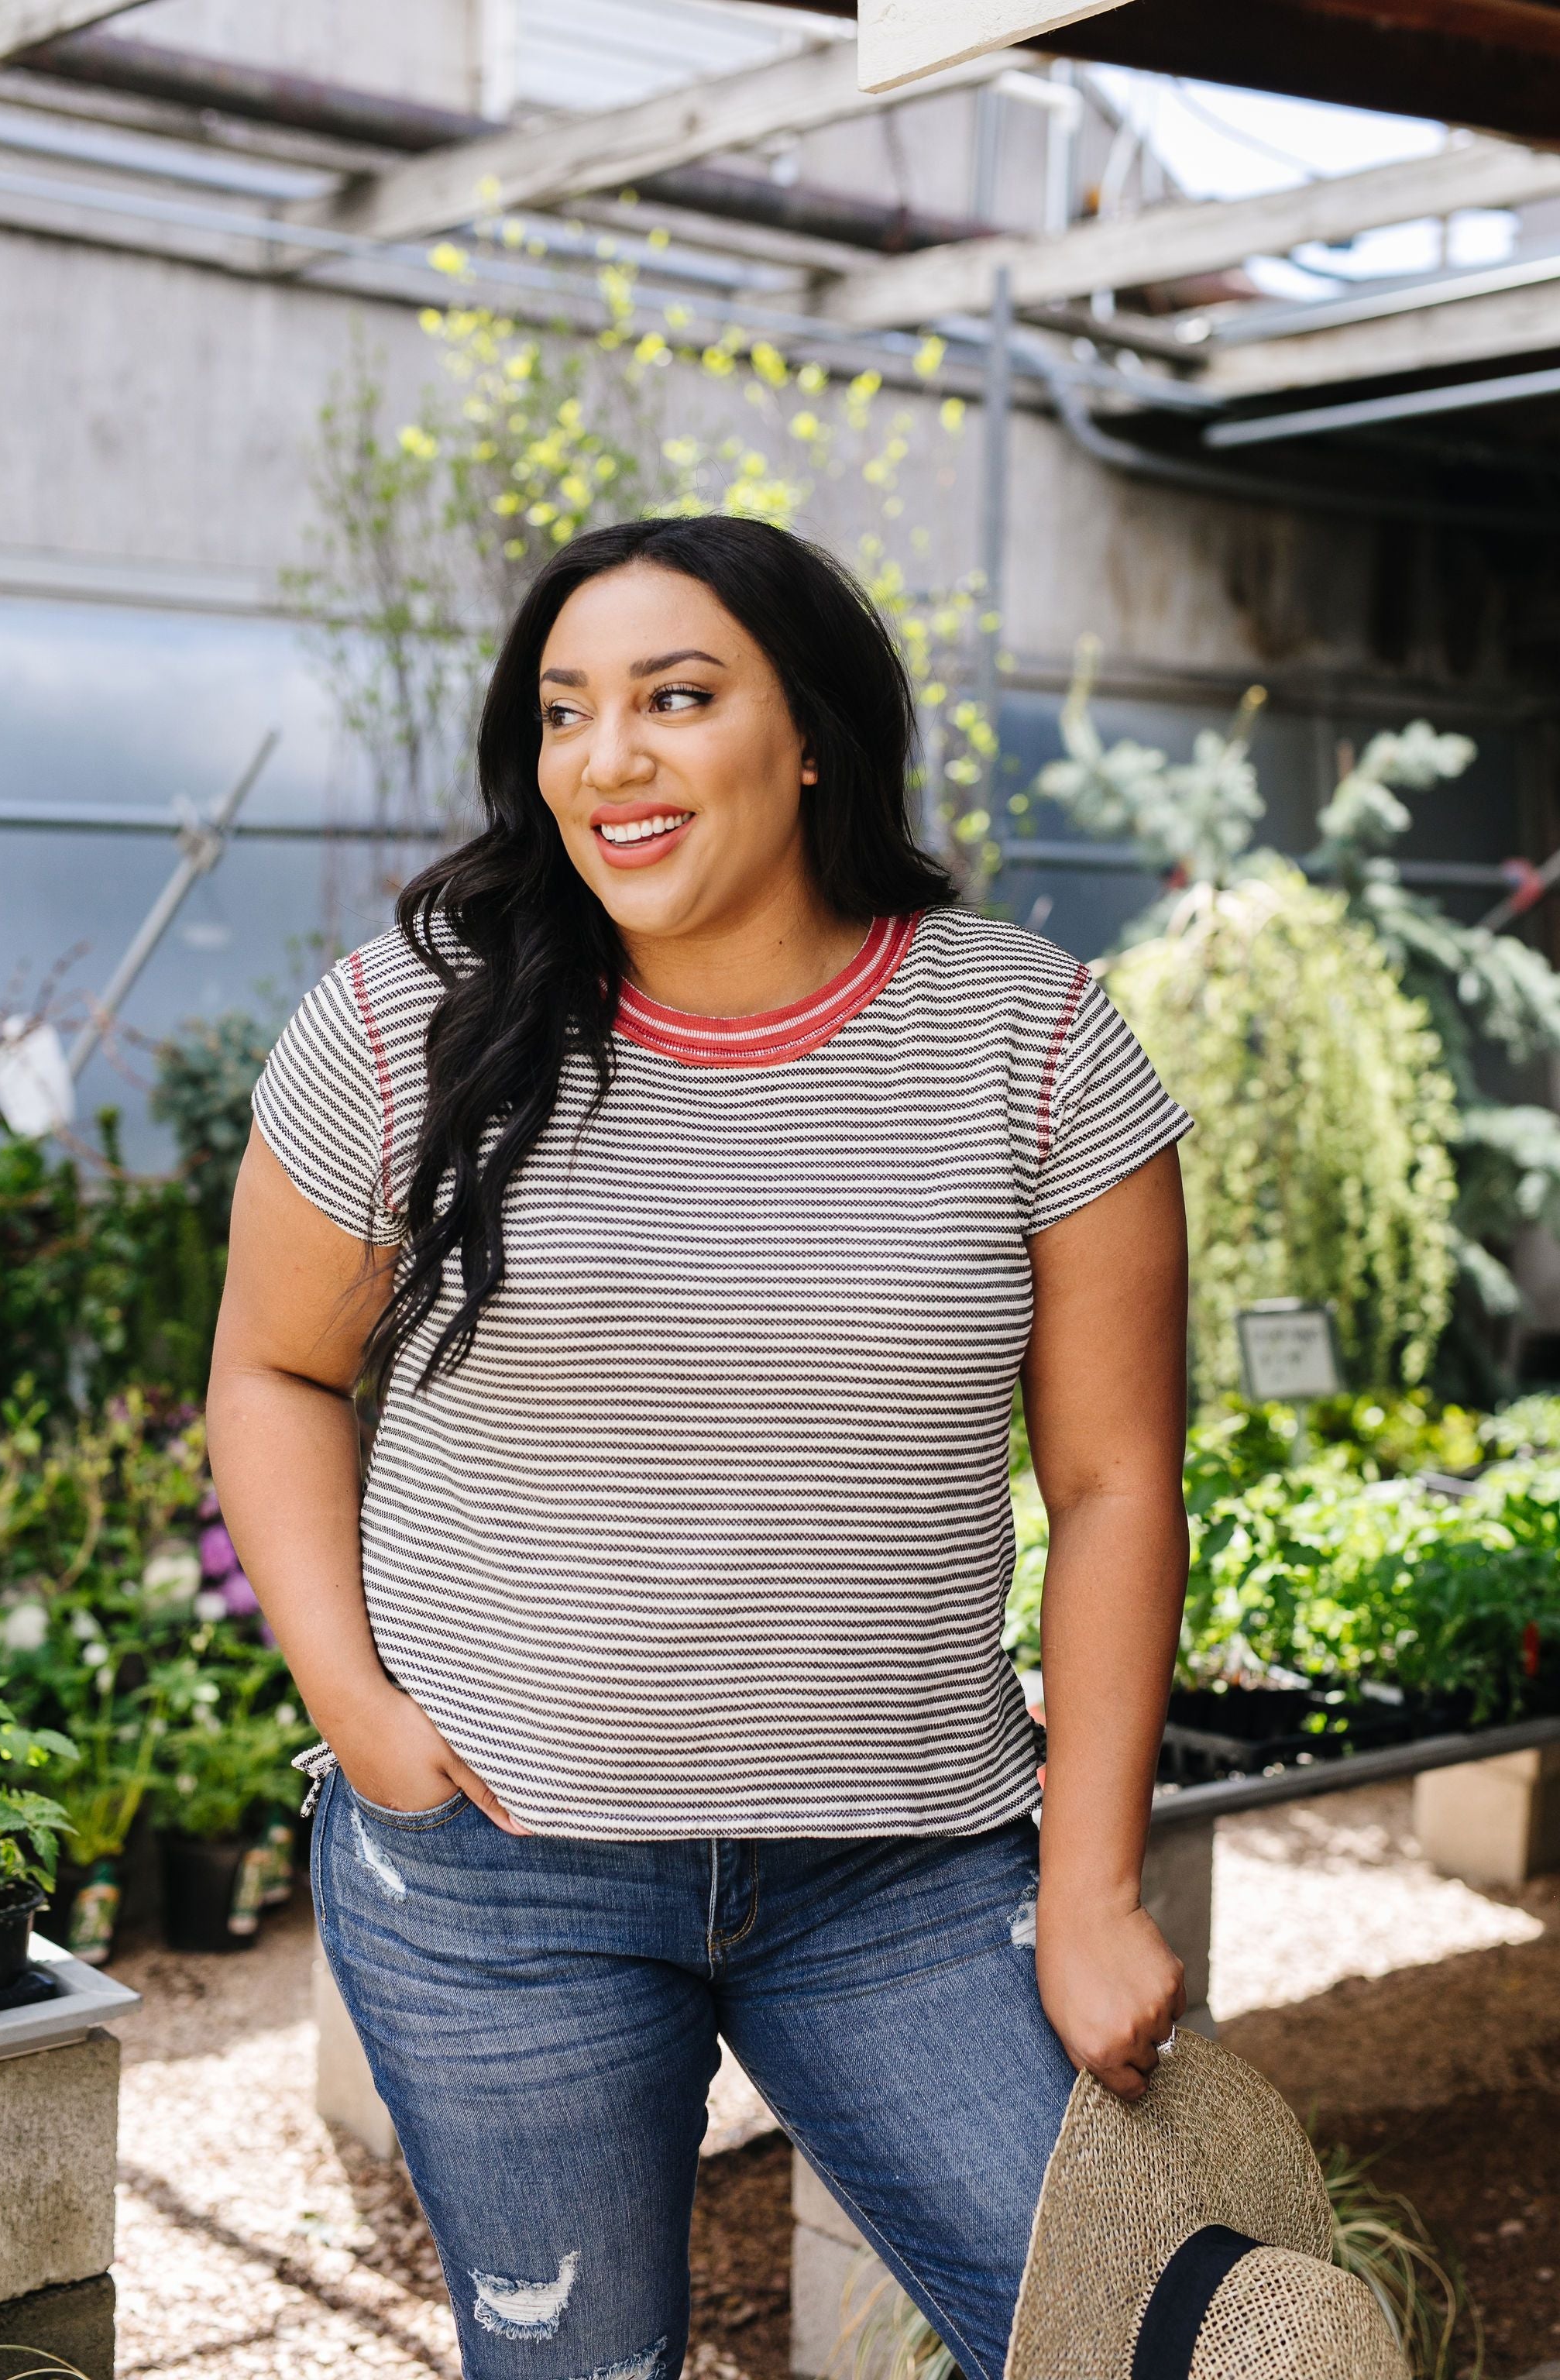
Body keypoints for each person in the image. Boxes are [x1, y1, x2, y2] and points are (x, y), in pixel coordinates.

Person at [207, 515, 1193, 2380]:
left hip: (911, 1868)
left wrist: (1091, 1887)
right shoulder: (406, 1022)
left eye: (677, 697)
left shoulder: (1030, 1038)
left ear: (809, 732)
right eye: (566, 711)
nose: (607, 758)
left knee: (1137, 2346)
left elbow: (1114, 1481)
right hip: (500, 1868)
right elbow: (270, 1374)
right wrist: (357, 1712)